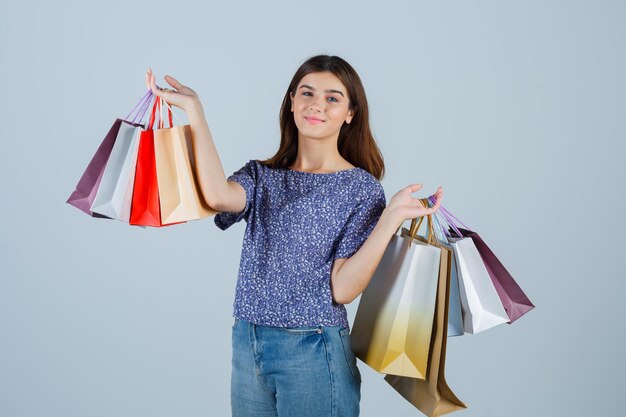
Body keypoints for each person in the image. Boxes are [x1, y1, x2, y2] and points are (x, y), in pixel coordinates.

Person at [146, 54, 443, 417]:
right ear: (291, 102)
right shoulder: (262, 176)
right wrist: (195, 111)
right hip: (248, 340)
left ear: (350, 113)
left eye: (333, 98)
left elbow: (343, 289)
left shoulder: (360, 189)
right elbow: (216, 196)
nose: (317, 104)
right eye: (307, 92)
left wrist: (390, 218)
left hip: (313, 348)